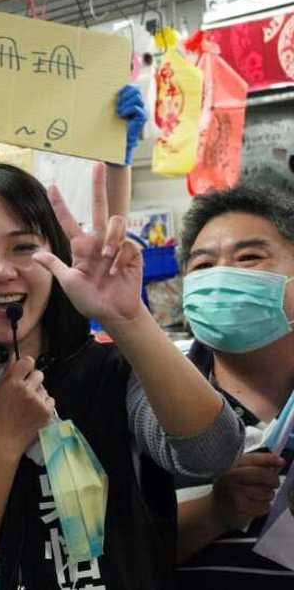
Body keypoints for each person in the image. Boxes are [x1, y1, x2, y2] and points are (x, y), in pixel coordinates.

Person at [0, 161, 244, 590]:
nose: (1, 271)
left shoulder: (112, 373)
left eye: (23, 247)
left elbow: (213, 454)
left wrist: (128, 318)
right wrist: (4, 440)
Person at [175, 184, 294, 588]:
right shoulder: (148, 404)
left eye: (248, 258)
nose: (223, 276)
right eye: (203, 266)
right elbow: (107, 556)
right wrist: (213, 512)